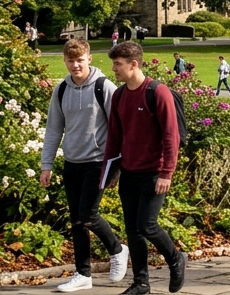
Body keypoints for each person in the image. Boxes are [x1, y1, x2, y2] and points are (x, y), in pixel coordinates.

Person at [41, 38, 128, 293]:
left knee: (87, 215)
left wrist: (118, 166)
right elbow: (53, 129)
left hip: (98, 162)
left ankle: (117, 249)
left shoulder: (104, 86)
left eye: (80, 60)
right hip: (72, 162)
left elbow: (120, 127)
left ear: (89, 58)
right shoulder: (61, 90)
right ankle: (83, 274)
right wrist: (47, 165)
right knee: (77, 220)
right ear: (65, 61)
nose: (75, 65)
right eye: (71, 60)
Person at [103, 40, 186, 294]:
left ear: (134, 64)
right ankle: (141, 282)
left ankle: (175, 259)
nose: (114, 69)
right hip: (129, 172)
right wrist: (110, 171)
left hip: (154, 172)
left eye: (118, 64)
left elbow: (172, 136)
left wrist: (166, 173)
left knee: (147, 225)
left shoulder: (157, 92)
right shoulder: (119, 95)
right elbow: (115, 137)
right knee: (133, 230)